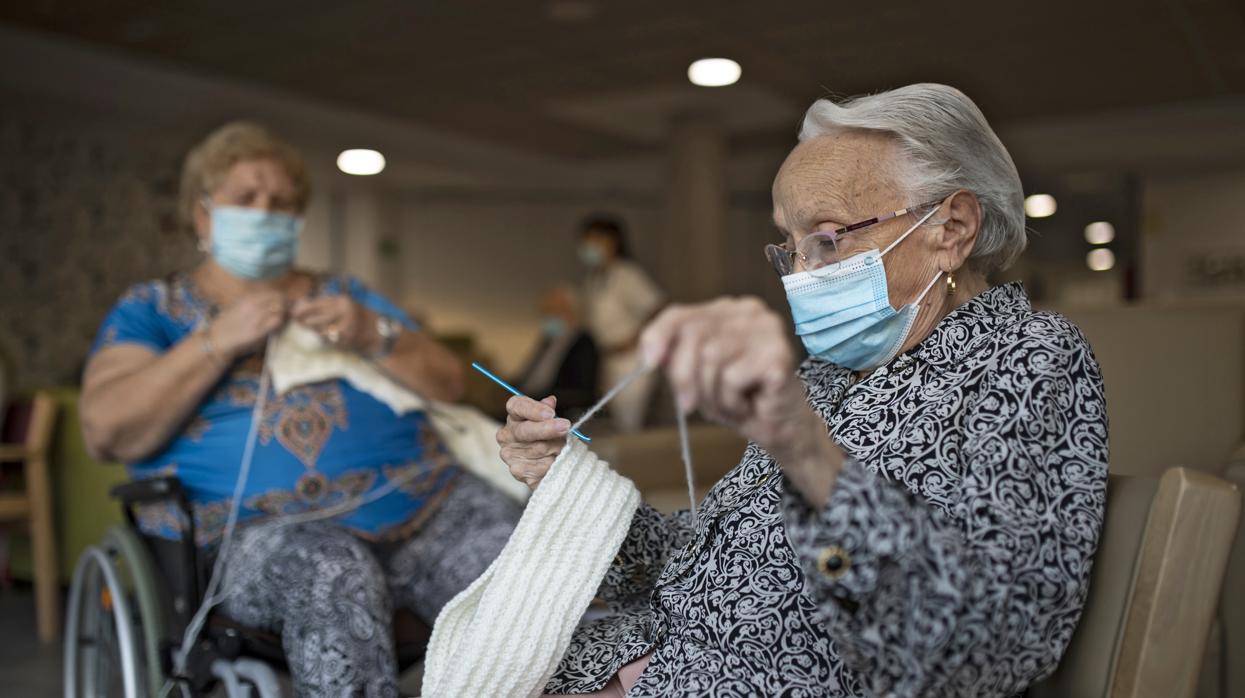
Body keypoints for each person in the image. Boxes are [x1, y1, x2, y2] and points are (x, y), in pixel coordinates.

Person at [497, 84, 1109, 697]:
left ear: (951, 228)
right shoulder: (826, 374)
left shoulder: (1026, 359)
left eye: (828, 237)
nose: (801, 276)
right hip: (630, 660)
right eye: (790, 247)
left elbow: (996, 648)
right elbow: (701, 572)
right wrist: (570, 480)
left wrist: (814, 461)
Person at [79, 122, 521, 697]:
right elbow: (106, 429)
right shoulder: (154, 309)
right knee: (331, 571)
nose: (266, 211)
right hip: (264, 536)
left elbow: (447, 383)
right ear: (204, 216)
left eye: (283, 203)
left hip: (424, 506)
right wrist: (215, 341)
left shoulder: (346, 295)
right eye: (247, 198)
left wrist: (372, 334)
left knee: (528, 559)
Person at [577, 216, 664, 431]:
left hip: (632, 360)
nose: (589, 246)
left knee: (630, 424)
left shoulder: (627, 274)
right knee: (616, 423)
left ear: (612, 242)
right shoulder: (593, 279)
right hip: (609, 359)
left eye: (595, 240)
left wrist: (632, 340)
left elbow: (656, 309)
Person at [517, 286, 599, 419]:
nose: (547, 317)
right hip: (527, 402)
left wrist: (535, 398)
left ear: (570, 311)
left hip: (555, 410)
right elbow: (529, 377)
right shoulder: (547, 341)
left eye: (552, 311)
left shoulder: (584, 343)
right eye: (545, 312)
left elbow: (581, 392)